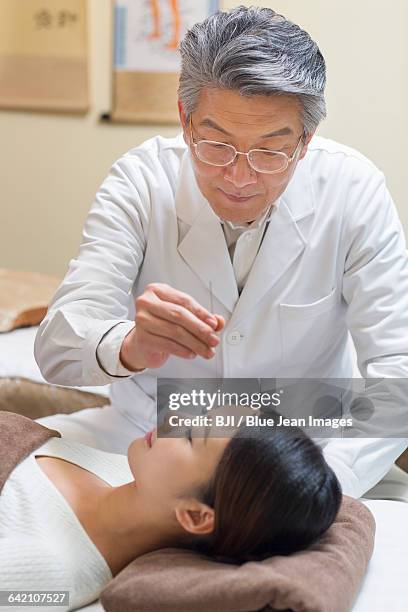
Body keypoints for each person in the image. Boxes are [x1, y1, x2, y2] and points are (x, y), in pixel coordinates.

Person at [34, 6, 408, 497]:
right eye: (216, 144)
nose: (240, 177)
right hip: (151, 434)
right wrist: (130, 345)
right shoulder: (142, 181)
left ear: (306, 140)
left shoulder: (352, 189)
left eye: (271, 151)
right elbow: (58, 346)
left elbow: (397, 374)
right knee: (29, 487)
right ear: (185, 120)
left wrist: (315, 490)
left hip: (308, 444)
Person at [0, 412, 341, 611]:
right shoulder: (122, 470)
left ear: (195, 516)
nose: (174, 417)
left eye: (192, 436)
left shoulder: (49, 569)